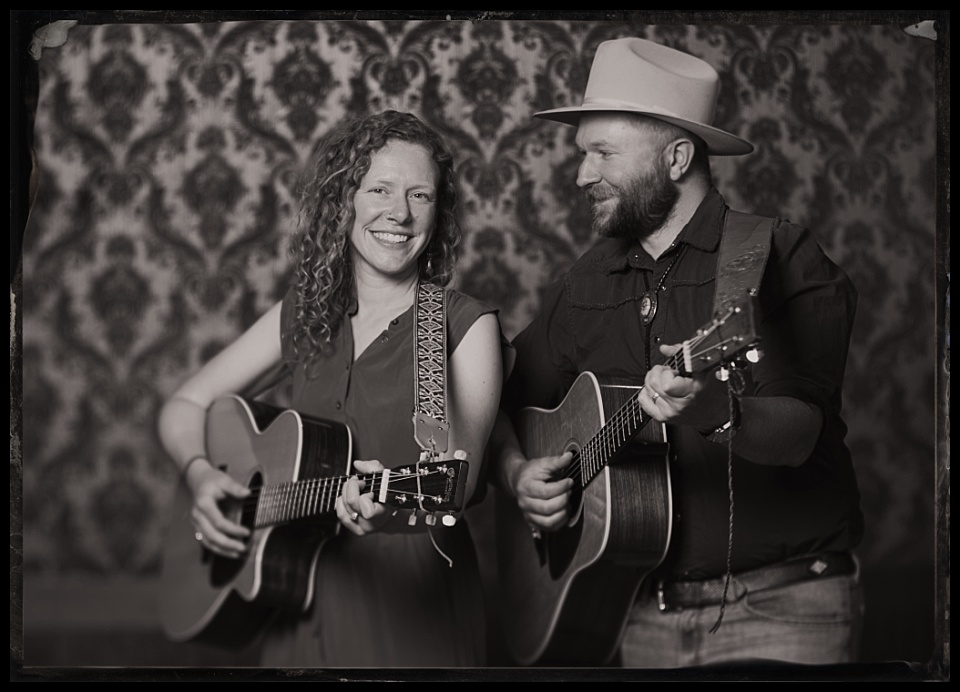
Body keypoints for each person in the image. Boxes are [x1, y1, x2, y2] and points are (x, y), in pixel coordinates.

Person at [490, 37, 864, 669]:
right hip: (634, 614)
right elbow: (496, 399)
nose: (582, 175)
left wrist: (718, 412)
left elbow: (801, 431)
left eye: (603, 153)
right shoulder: (585, 282)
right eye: (583, 154)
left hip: (780, 611)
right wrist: (515, 474)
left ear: (677, 158)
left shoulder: (777, 257)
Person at [157, 110, 503, 667]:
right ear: (345, 200)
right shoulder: (307, 312)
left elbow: (452, 486)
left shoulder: (459, 324)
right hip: (294, 606)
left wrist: (387, 511)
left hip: (412, 624)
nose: (400, 213)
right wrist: (201, 477)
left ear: (438, 213)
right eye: (380, 189)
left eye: (420, 195)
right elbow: (184, 405)